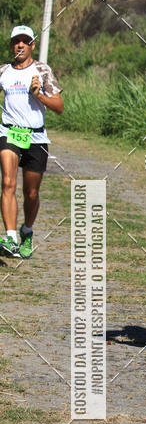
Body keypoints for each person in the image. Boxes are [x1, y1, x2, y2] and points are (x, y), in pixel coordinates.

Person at [0, 25, 63, 258]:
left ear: (32, 45)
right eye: (16, 41)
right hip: (8, 132)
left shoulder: (42, 70)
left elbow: (59, 107)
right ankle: (10, 237)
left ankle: (26, 231)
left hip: (36, 136)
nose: (20, 45)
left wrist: (38, 94)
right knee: (7, 182)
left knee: (31, 193)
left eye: (25, 41)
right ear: (11, 45)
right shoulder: (4, 71)